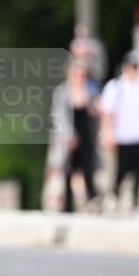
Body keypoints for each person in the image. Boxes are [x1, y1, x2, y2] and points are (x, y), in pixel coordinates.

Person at [48, 59, 101, 213]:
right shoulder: (62, 91)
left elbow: (96, 114)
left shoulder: (90, 91)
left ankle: (93, 200)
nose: (80, 77)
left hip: (87, 135)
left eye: (82, 75)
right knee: (68, 170)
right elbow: (57, 116)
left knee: (88, 168)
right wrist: (67, 136)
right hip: (69, 136)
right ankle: (67, 204)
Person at [100, 50, 139, 211]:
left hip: (137, 135)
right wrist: (107, 133)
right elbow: (107, 113)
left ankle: (134, 201)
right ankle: (113, 198)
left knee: (137, 170)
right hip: (120, 136)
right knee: (118, 170)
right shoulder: (115, 87)